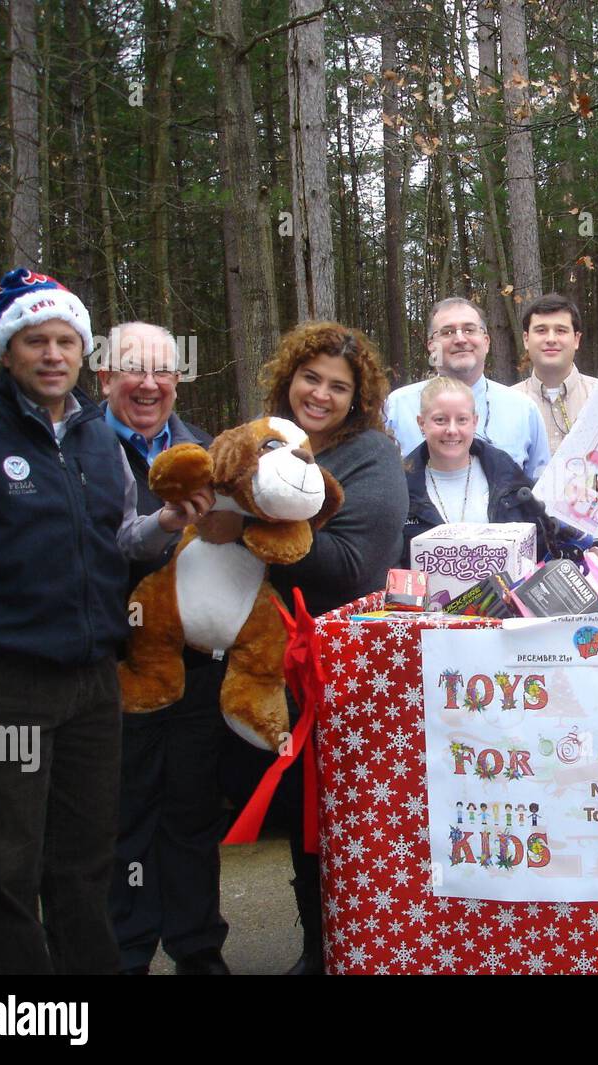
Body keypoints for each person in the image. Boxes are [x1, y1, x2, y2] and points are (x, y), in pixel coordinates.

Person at [0, 268, 210, 974]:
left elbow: (119, 541)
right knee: (8, 870)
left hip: (94, 683)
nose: (52, 353)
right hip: (2, 685)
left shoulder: (98, 440)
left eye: (65, 340)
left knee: (87, 863)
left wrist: (166, 524)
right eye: (36, 340)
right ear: (6, 351)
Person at [235, 321, 409, 975]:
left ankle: (344, 948)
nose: (321, 393)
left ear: (357, 397)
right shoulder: (267, 441)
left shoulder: (371, 456)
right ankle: (317, 943)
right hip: (261, 656)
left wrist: (246, 525)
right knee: (297, 814)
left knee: (338, 815)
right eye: (311, 377)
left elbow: (348, 564)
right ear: (288, 378)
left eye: (339, 385)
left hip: (339, 666)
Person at [100, 323, 229, 976]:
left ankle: (196, 944)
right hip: (113, 667)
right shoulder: (81, 450)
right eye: (132, 369)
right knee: (124, 816)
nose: (149, 383)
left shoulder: (203, 450)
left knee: (191, 812)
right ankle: (125, 950)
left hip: (197, 666)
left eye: (163, 371)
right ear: (103, 378)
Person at [384, 297, 550, 479]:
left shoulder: (522, 410)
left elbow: (542, 490)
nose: (460, 339)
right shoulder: (397, 408)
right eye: (447, 332)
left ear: (486, 342)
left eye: (469, 330)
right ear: (432, 347)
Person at [401, 377, 544, 564]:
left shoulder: (507, 475)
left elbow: (540, 543)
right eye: (440, 420)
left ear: (474, 421)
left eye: (461, 420)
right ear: (421, 423)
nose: (452, 430)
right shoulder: (401, 486)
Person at [513, 293, 597, 455]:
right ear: (526, 339)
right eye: (541, 330)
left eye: (561, 330)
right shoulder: (506, 403)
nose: (551, 339)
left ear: (576, 339)